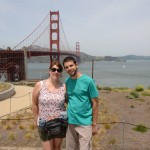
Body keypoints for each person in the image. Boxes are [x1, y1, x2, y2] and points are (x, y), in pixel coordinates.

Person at [63, 56, 99, 150]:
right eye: (66, 67)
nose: (69, 68)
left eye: (71, 65)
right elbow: (67, 99)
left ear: (76, 65)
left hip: (85, 123)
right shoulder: (67, 81)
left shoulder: (88, 81)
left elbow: (95, 103)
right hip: (70, 122)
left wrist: (94, 125)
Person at [32, 61, 67, 150]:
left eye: (59, 70)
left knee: (57, 148)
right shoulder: (39, 85)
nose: (56, 72)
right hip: (44, 123)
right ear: (49, 71)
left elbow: (69, 102)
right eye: (53, 69)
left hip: (60, 122)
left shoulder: (64, 87)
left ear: (61, 73)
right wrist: (36, 119)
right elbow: (34, 104)